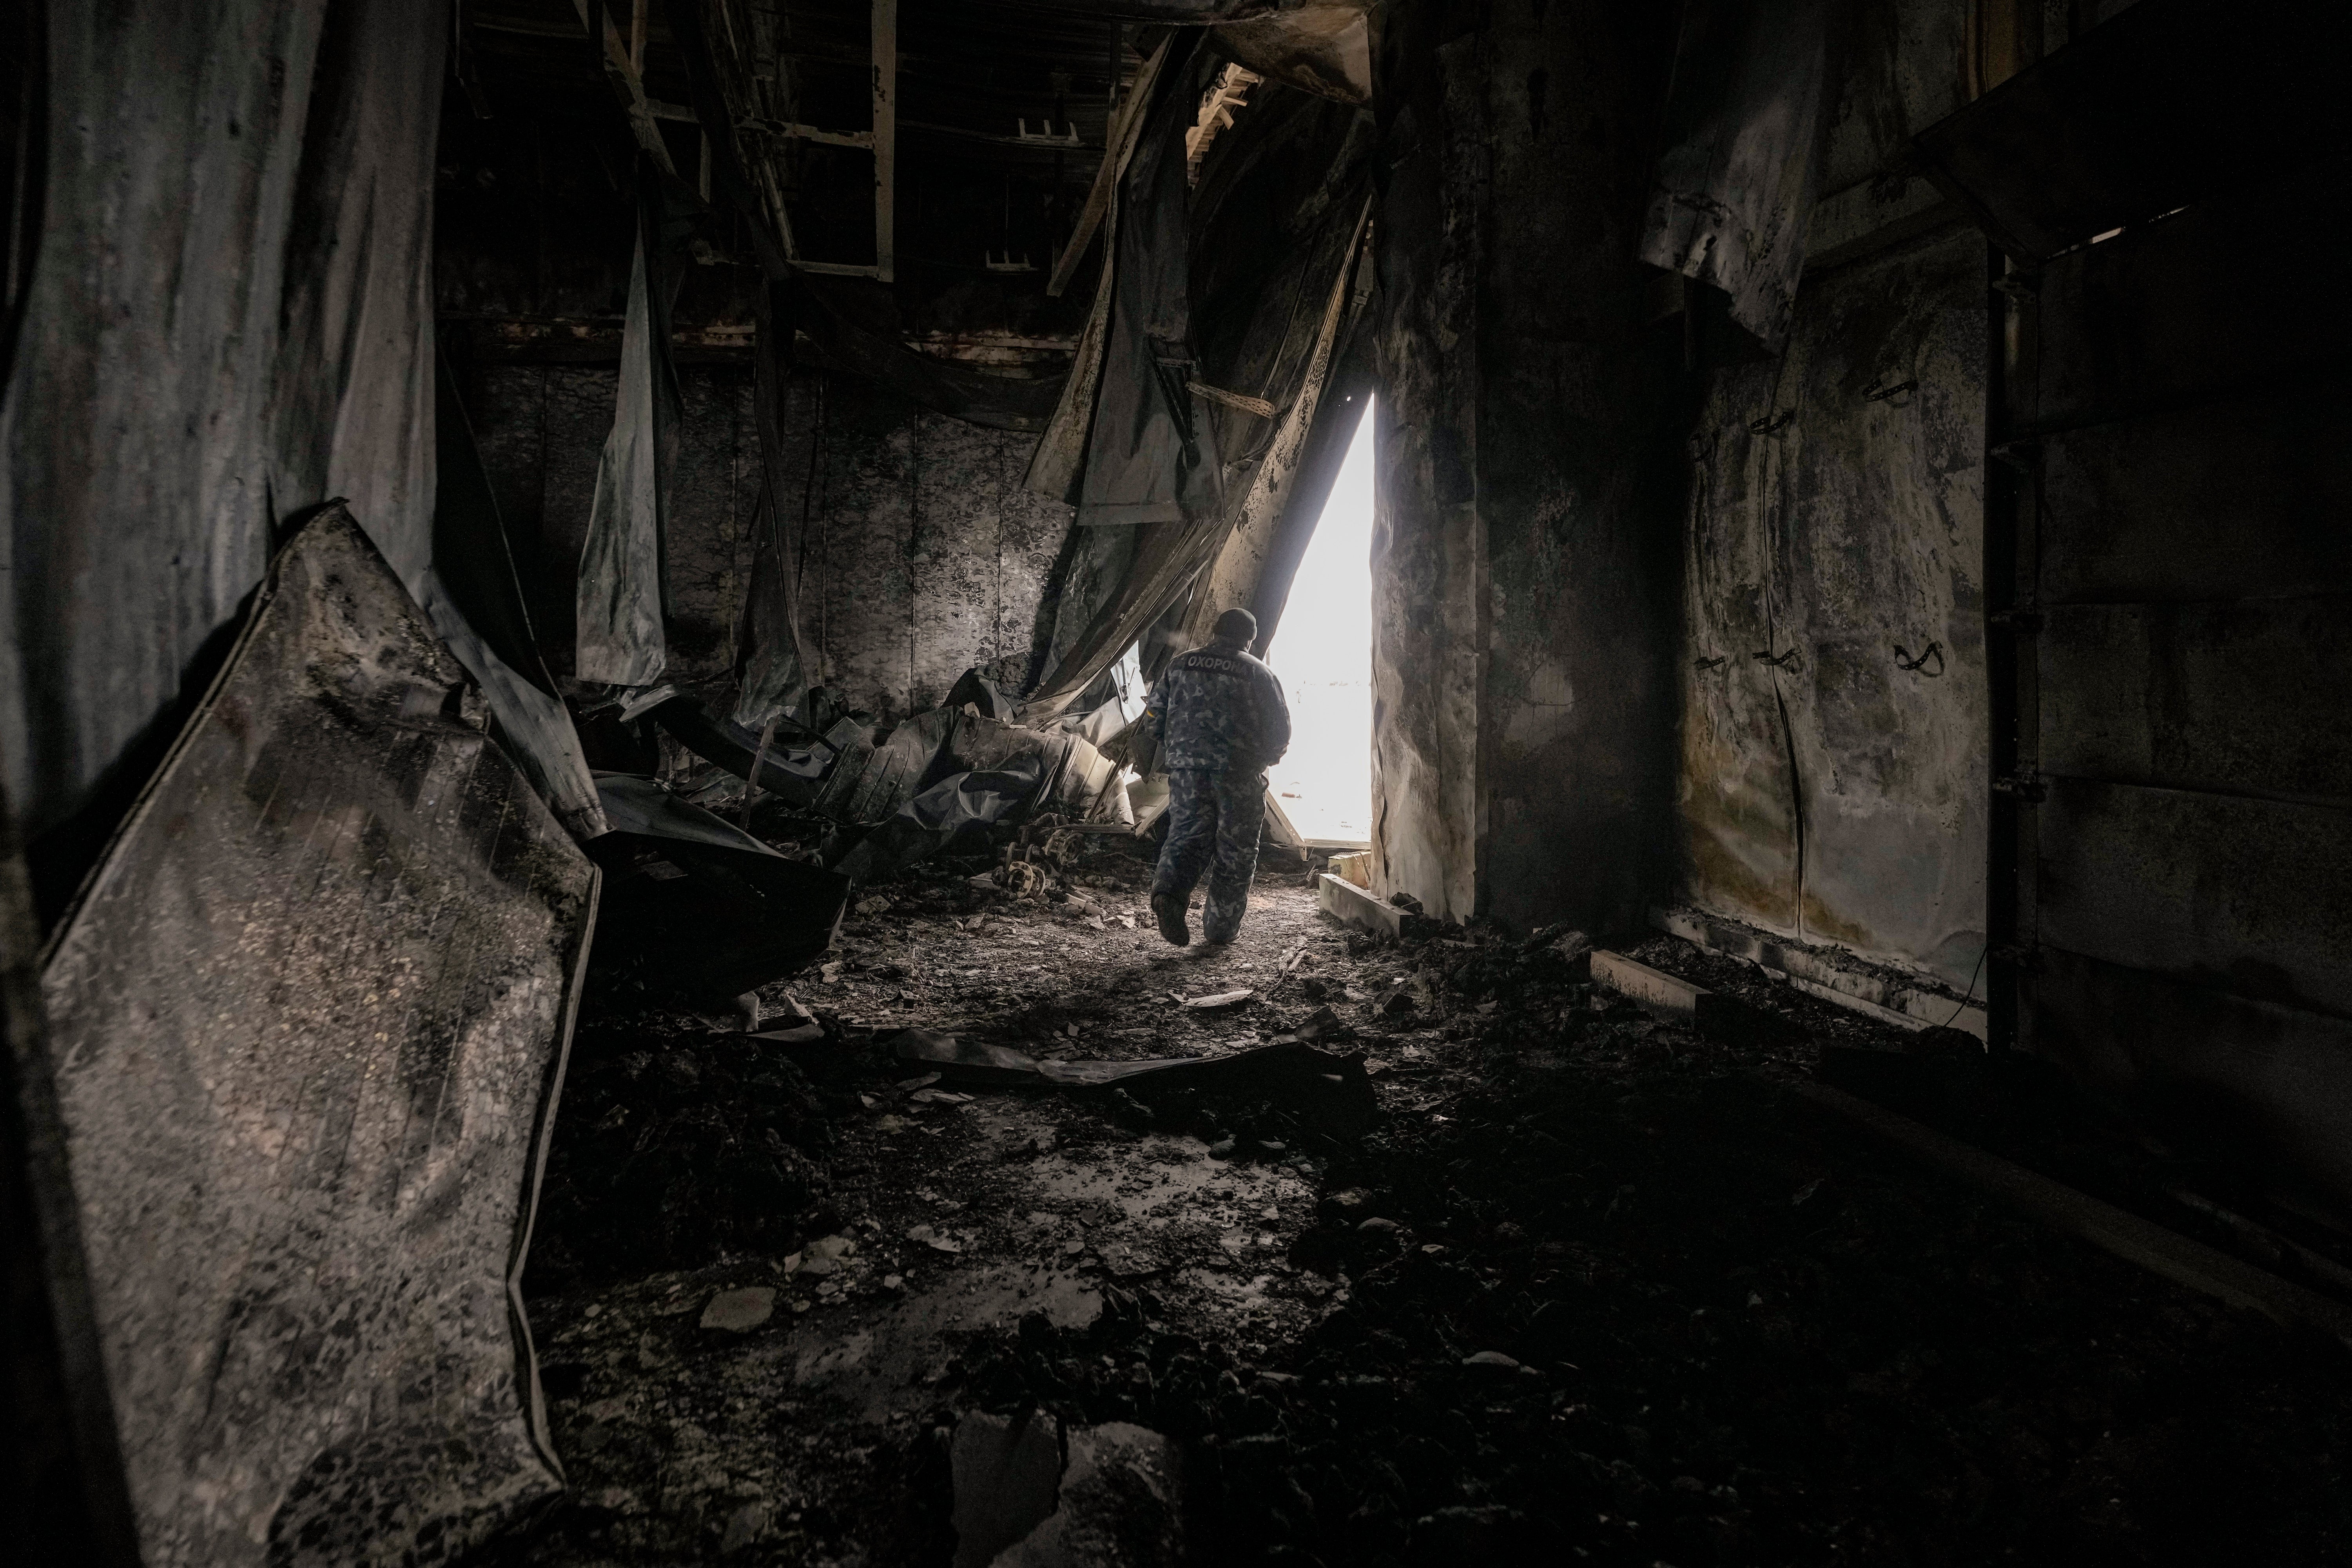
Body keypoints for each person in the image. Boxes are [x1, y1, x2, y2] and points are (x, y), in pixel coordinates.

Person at [1141, 607, 1292, 946]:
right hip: (1238, 774)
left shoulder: (1179, 665)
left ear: (1214, 629)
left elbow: (1153, 714)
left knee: (1185, 837)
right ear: (1250, 639)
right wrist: (1265, 758)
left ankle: (1169, 896)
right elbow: (1280, 731)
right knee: (1235, 851)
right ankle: (1220, 929)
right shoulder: (1259, 673)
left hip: (1187, 772)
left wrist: (1177, 748)